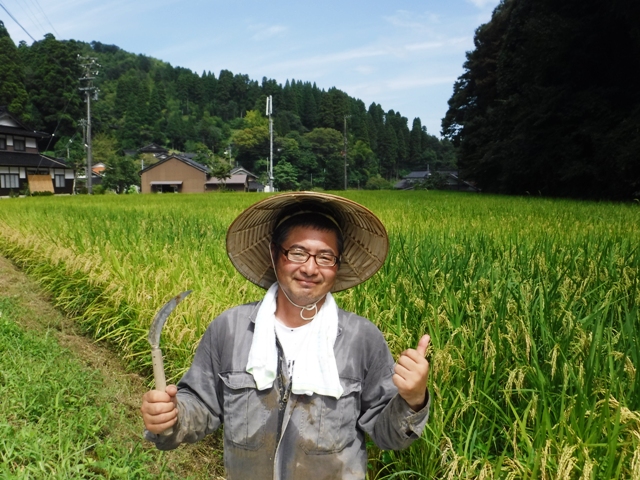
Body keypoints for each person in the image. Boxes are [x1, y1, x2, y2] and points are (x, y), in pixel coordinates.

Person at [141, 192, 431, 479]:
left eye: (325, 257)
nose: (310, 268)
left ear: (337, 266)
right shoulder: (230, 329)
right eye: (297, 252)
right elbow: (201, 405)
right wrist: (171, 417)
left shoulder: (361, 339)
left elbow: (389, 435)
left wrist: (413, 400)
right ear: (274, 253)